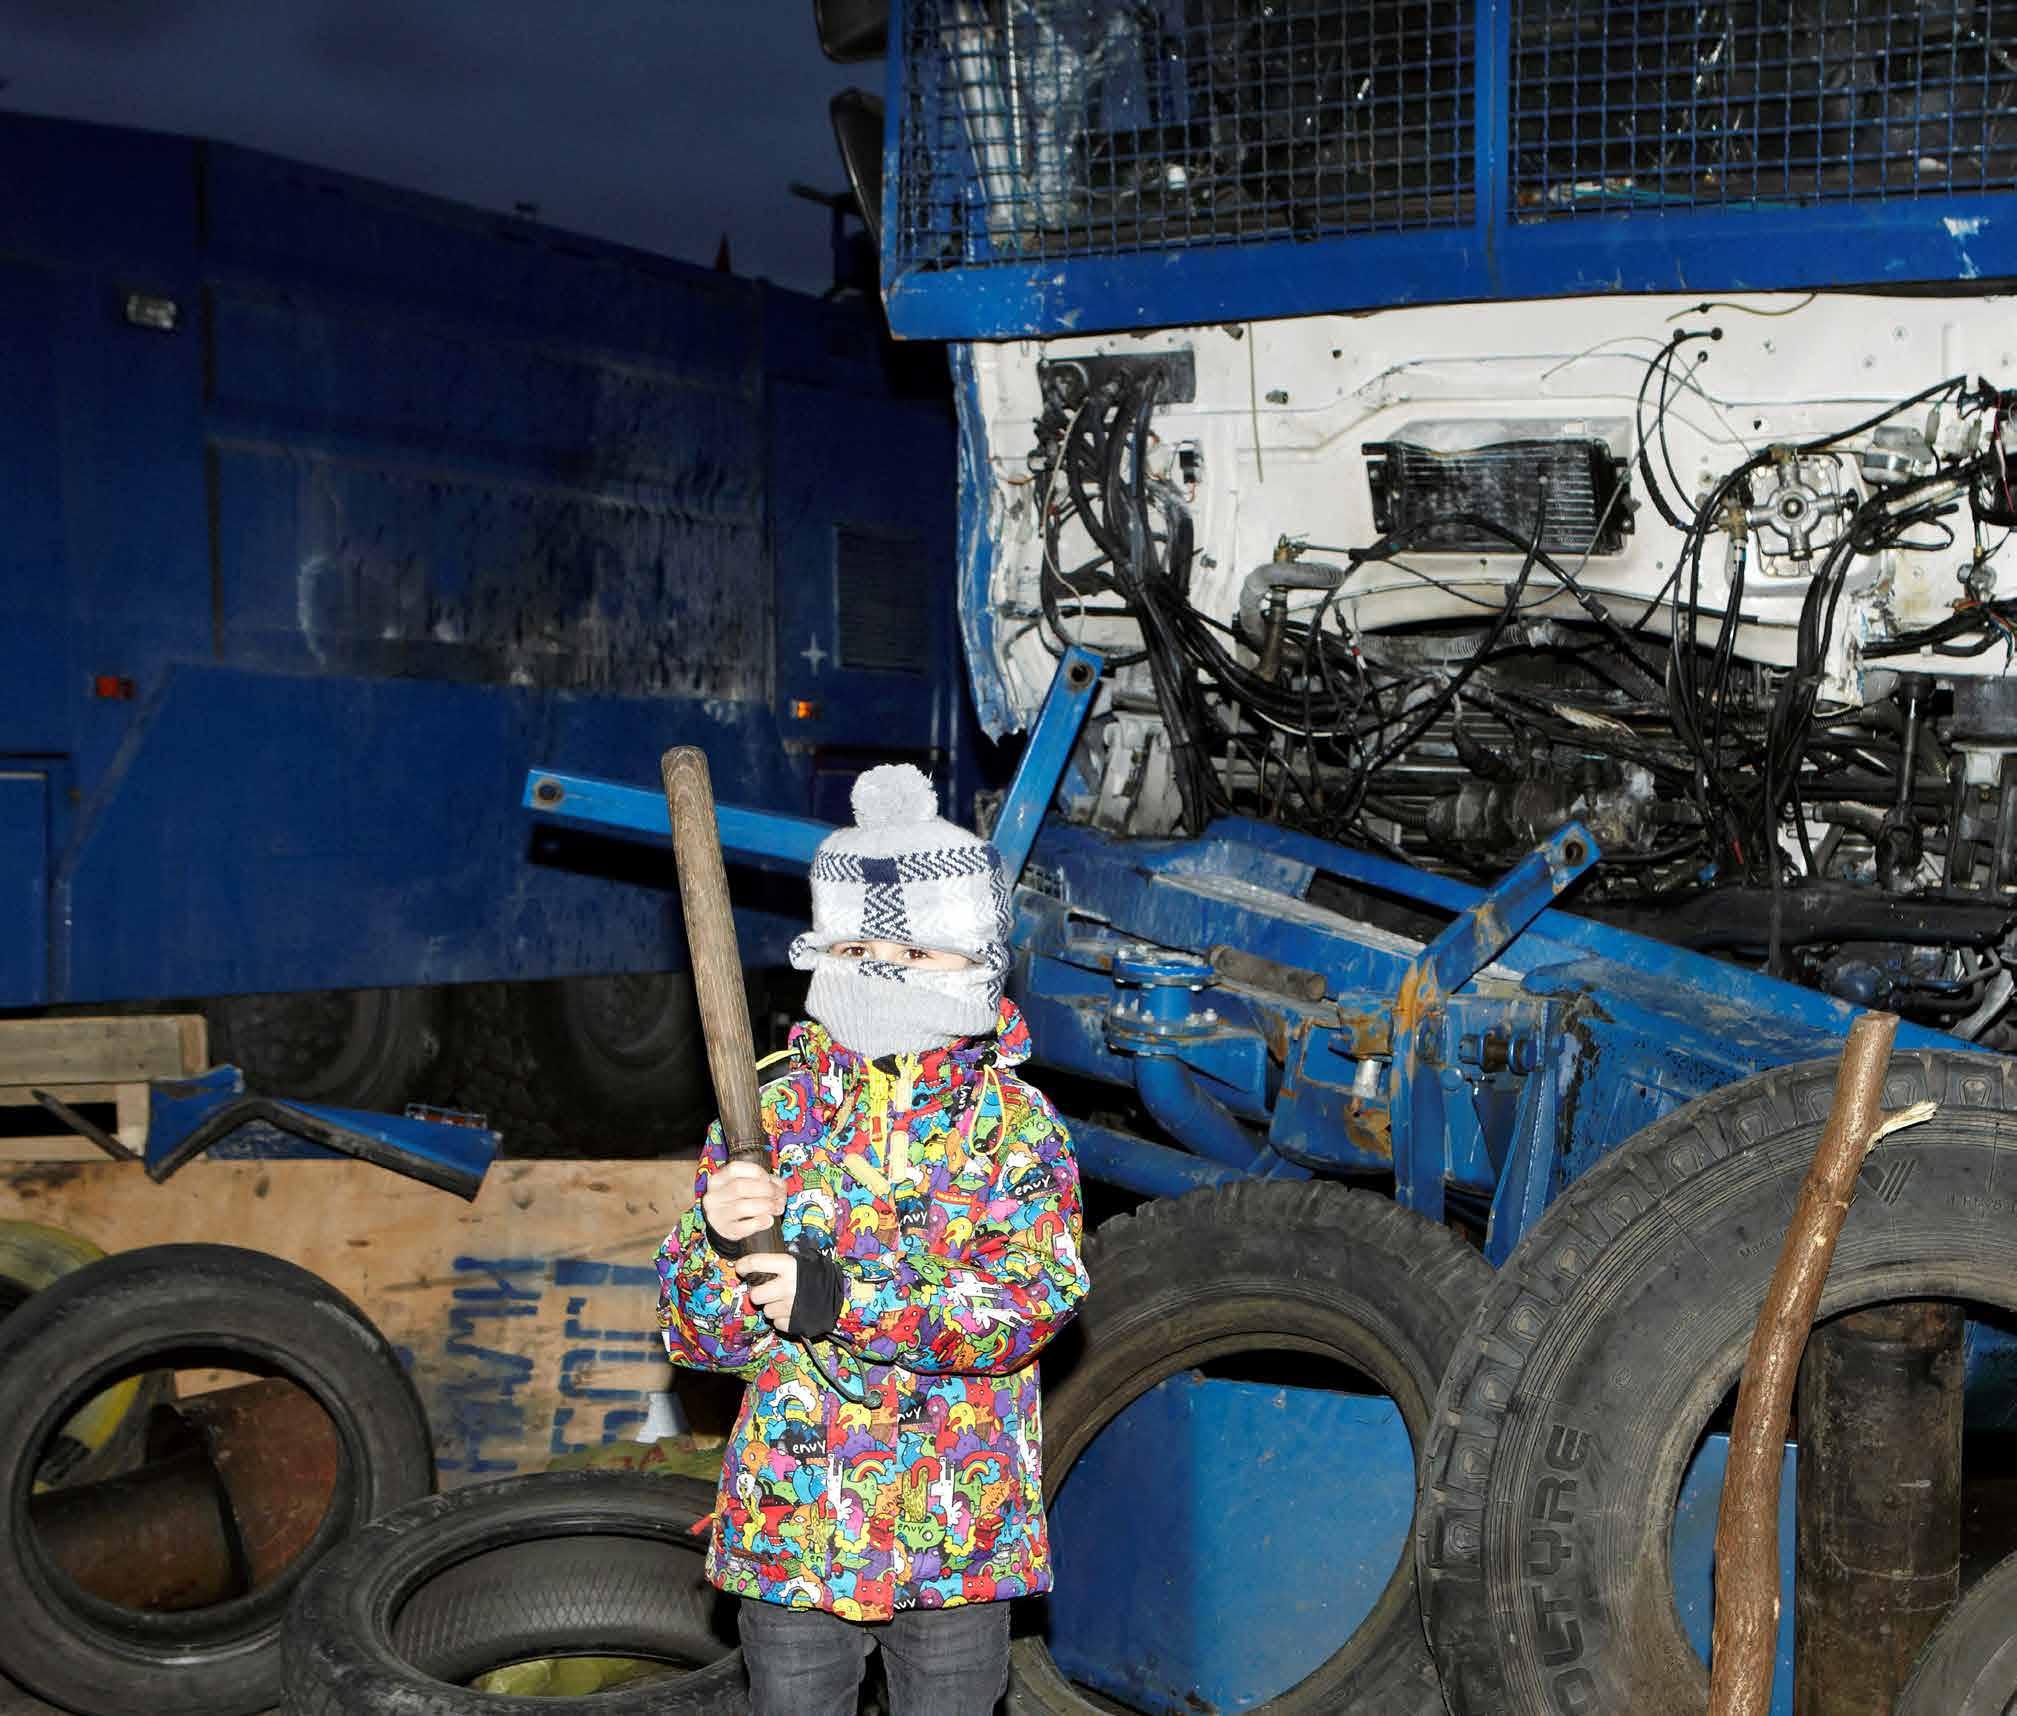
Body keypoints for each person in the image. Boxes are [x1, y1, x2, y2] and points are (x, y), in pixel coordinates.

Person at [656, 762, 1089, 1716]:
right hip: (795, 1527)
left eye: (915, 954)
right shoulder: (765, 1117)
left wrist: (844, 1300)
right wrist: (717, 1246)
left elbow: (1032, 1302)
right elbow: (698, 1343)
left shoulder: (1014, 1129)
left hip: (956, 1531)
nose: (881, 975)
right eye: (856, 948)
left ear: (972, 959)